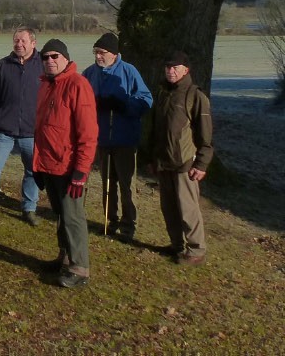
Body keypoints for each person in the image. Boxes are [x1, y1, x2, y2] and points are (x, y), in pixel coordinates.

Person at [33, 39, 98, 288]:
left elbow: (88, 133)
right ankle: (65, 258)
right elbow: (41, 128)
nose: (50, 61)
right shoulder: (45, 86)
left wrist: (81, 171)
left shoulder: (78, 85)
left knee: (73, 217)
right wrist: (37, 165)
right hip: (50, 164)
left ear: (66, 58)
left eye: (55, 56)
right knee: (60, 215)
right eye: (45, 57)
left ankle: (80, 268)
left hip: (70, 166)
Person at [82, 32, 153, 240]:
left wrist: (124, 105)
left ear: (113, 53)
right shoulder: (90, 73)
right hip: (101, 138)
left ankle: (128, 225)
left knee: (126, 184)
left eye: (101, 53)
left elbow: (146, 100)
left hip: (124, 139)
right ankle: (109, 221)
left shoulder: (129, 71)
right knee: (107, 182)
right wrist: (94, 103)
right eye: (95, 52)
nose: (98, 57)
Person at [149, 51, 214, 265]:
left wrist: (202, 163)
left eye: (175, 67)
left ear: (186, 70)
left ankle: (196, 250)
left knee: (188, 208)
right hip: (163, 161)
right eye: (168, 67)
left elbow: (205, 135)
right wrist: (152, 158)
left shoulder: (195, 96)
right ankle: (176, 245)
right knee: (168, 207)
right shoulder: (162, 93)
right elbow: (155, 129)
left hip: (186, 162)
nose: (170, 71)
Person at [0, 26, 43, 226]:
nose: (19, 44)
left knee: (32, 171)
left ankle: (29, 208)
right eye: (16, 41)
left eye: (23, 41)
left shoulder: (42, 66)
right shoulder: (2, 65)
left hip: (31, 131)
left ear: (33, 43)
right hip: (5, 130)